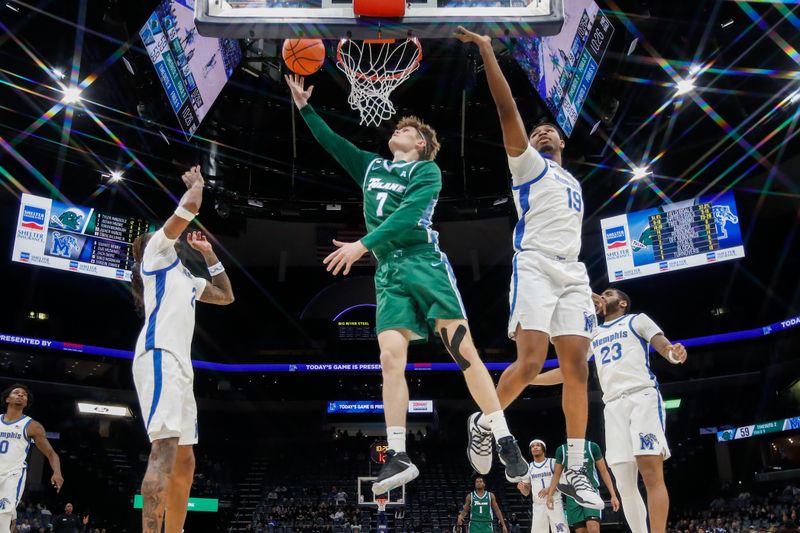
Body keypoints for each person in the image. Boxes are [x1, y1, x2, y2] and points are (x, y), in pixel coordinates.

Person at [285, 73, 529, 494]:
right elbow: (332, 142)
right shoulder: (371, 167)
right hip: (389, 273)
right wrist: (305, 107)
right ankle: (397, 453)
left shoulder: (427, 171)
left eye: (408, 130)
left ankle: (504, 437)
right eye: (397, 127)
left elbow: (406, 218)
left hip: (423, 263)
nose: (398, 129)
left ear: (420, 144)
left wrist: (361, 244)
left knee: (463, 350)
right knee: (388, 359)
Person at [454, 27, 603, 509]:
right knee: (533, 361)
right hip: (536, 265)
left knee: (578, 369)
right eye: (538, 132)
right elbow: (506, 111)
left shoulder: (574, 180)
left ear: (562, 140)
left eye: (550, 130)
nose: (542, 131)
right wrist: (486, 52)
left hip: (573, 272)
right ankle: (484, 422)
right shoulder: (528, 167)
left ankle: (578, 469)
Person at [130, 165, 235, 533]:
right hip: (159, 355)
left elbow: (225, 296)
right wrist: (197, 186)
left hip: (180, 366)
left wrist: (209, 256)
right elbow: (188, 209)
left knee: (186, 459)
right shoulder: (156, 256)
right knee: (164, 449)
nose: (159, 235)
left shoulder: (186, 277)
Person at [533, 288, 686, 533]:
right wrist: (531, 378)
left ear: (622, 302)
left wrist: (674, 354)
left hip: (641, 397)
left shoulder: (637, 320)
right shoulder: (593, 333)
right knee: (624, 484)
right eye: (601, 294)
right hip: (612, 405)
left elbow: (664, 346)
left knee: (650, 473)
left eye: (608, 293)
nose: (602, 296)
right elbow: (570, 371)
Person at [0, 385, 63, 533]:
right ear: (7, 398)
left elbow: (51, 453)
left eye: (24, 395)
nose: (21, 395)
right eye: (16, 392)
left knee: (3, 515)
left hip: (12, 476)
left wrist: (57, 472)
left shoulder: (32, 426)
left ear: (27, 402)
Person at [545, 442, 619, 533]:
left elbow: (603, 471)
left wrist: (613, 495)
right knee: (581, 531)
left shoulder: (592, 446)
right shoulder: (561, 450)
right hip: (572, 495)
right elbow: (557, 474)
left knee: (593, 529)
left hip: (590, 491)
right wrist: (550, 495)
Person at [518, 440, 567, 533]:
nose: (535, 447)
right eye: (532, 446)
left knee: (561, 531)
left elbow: (564, 482)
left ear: (543, 449)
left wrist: (549, 490)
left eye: (538, 445)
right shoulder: (528, 467)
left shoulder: (553, 462)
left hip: (554, 502)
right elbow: (526, 493)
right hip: (538, 505)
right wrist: (522, 488)